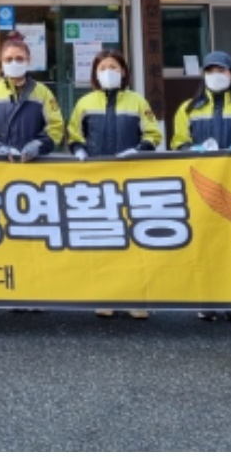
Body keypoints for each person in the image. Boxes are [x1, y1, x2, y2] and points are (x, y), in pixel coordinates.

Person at [171, 49, 231, 323]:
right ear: (203, 75)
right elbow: (178, 142)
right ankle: (207, 299)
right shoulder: (188, 108)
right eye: (211, 71)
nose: (216, 75)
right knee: (205, 242)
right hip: (201, 186)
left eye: (221, 70)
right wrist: (195, 150)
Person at [67, 49, 161, 321]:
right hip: (96, 182)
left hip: (131, 180)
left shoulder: (137, 102)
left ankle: (135, 299)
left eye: (114, 67)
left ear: (124, 72)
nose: (109, 72)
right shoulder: (84, 103)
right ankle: (104, 296)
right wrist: (78, 150)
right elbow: (73, 134)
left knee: (133, 240)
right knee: (102, 241)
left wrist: (139, 150)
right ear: (95, 73)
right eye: (103, 67)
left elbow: (153, 134)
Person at [0, 31, 64, 161]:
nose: (14, 63)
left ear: (28, 60)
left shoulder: (43, 93)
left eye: (19, 59)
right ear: (1, 62)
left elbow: (56, 126)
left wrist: (38, 145)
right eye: (8, 59)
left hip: (34, 164)